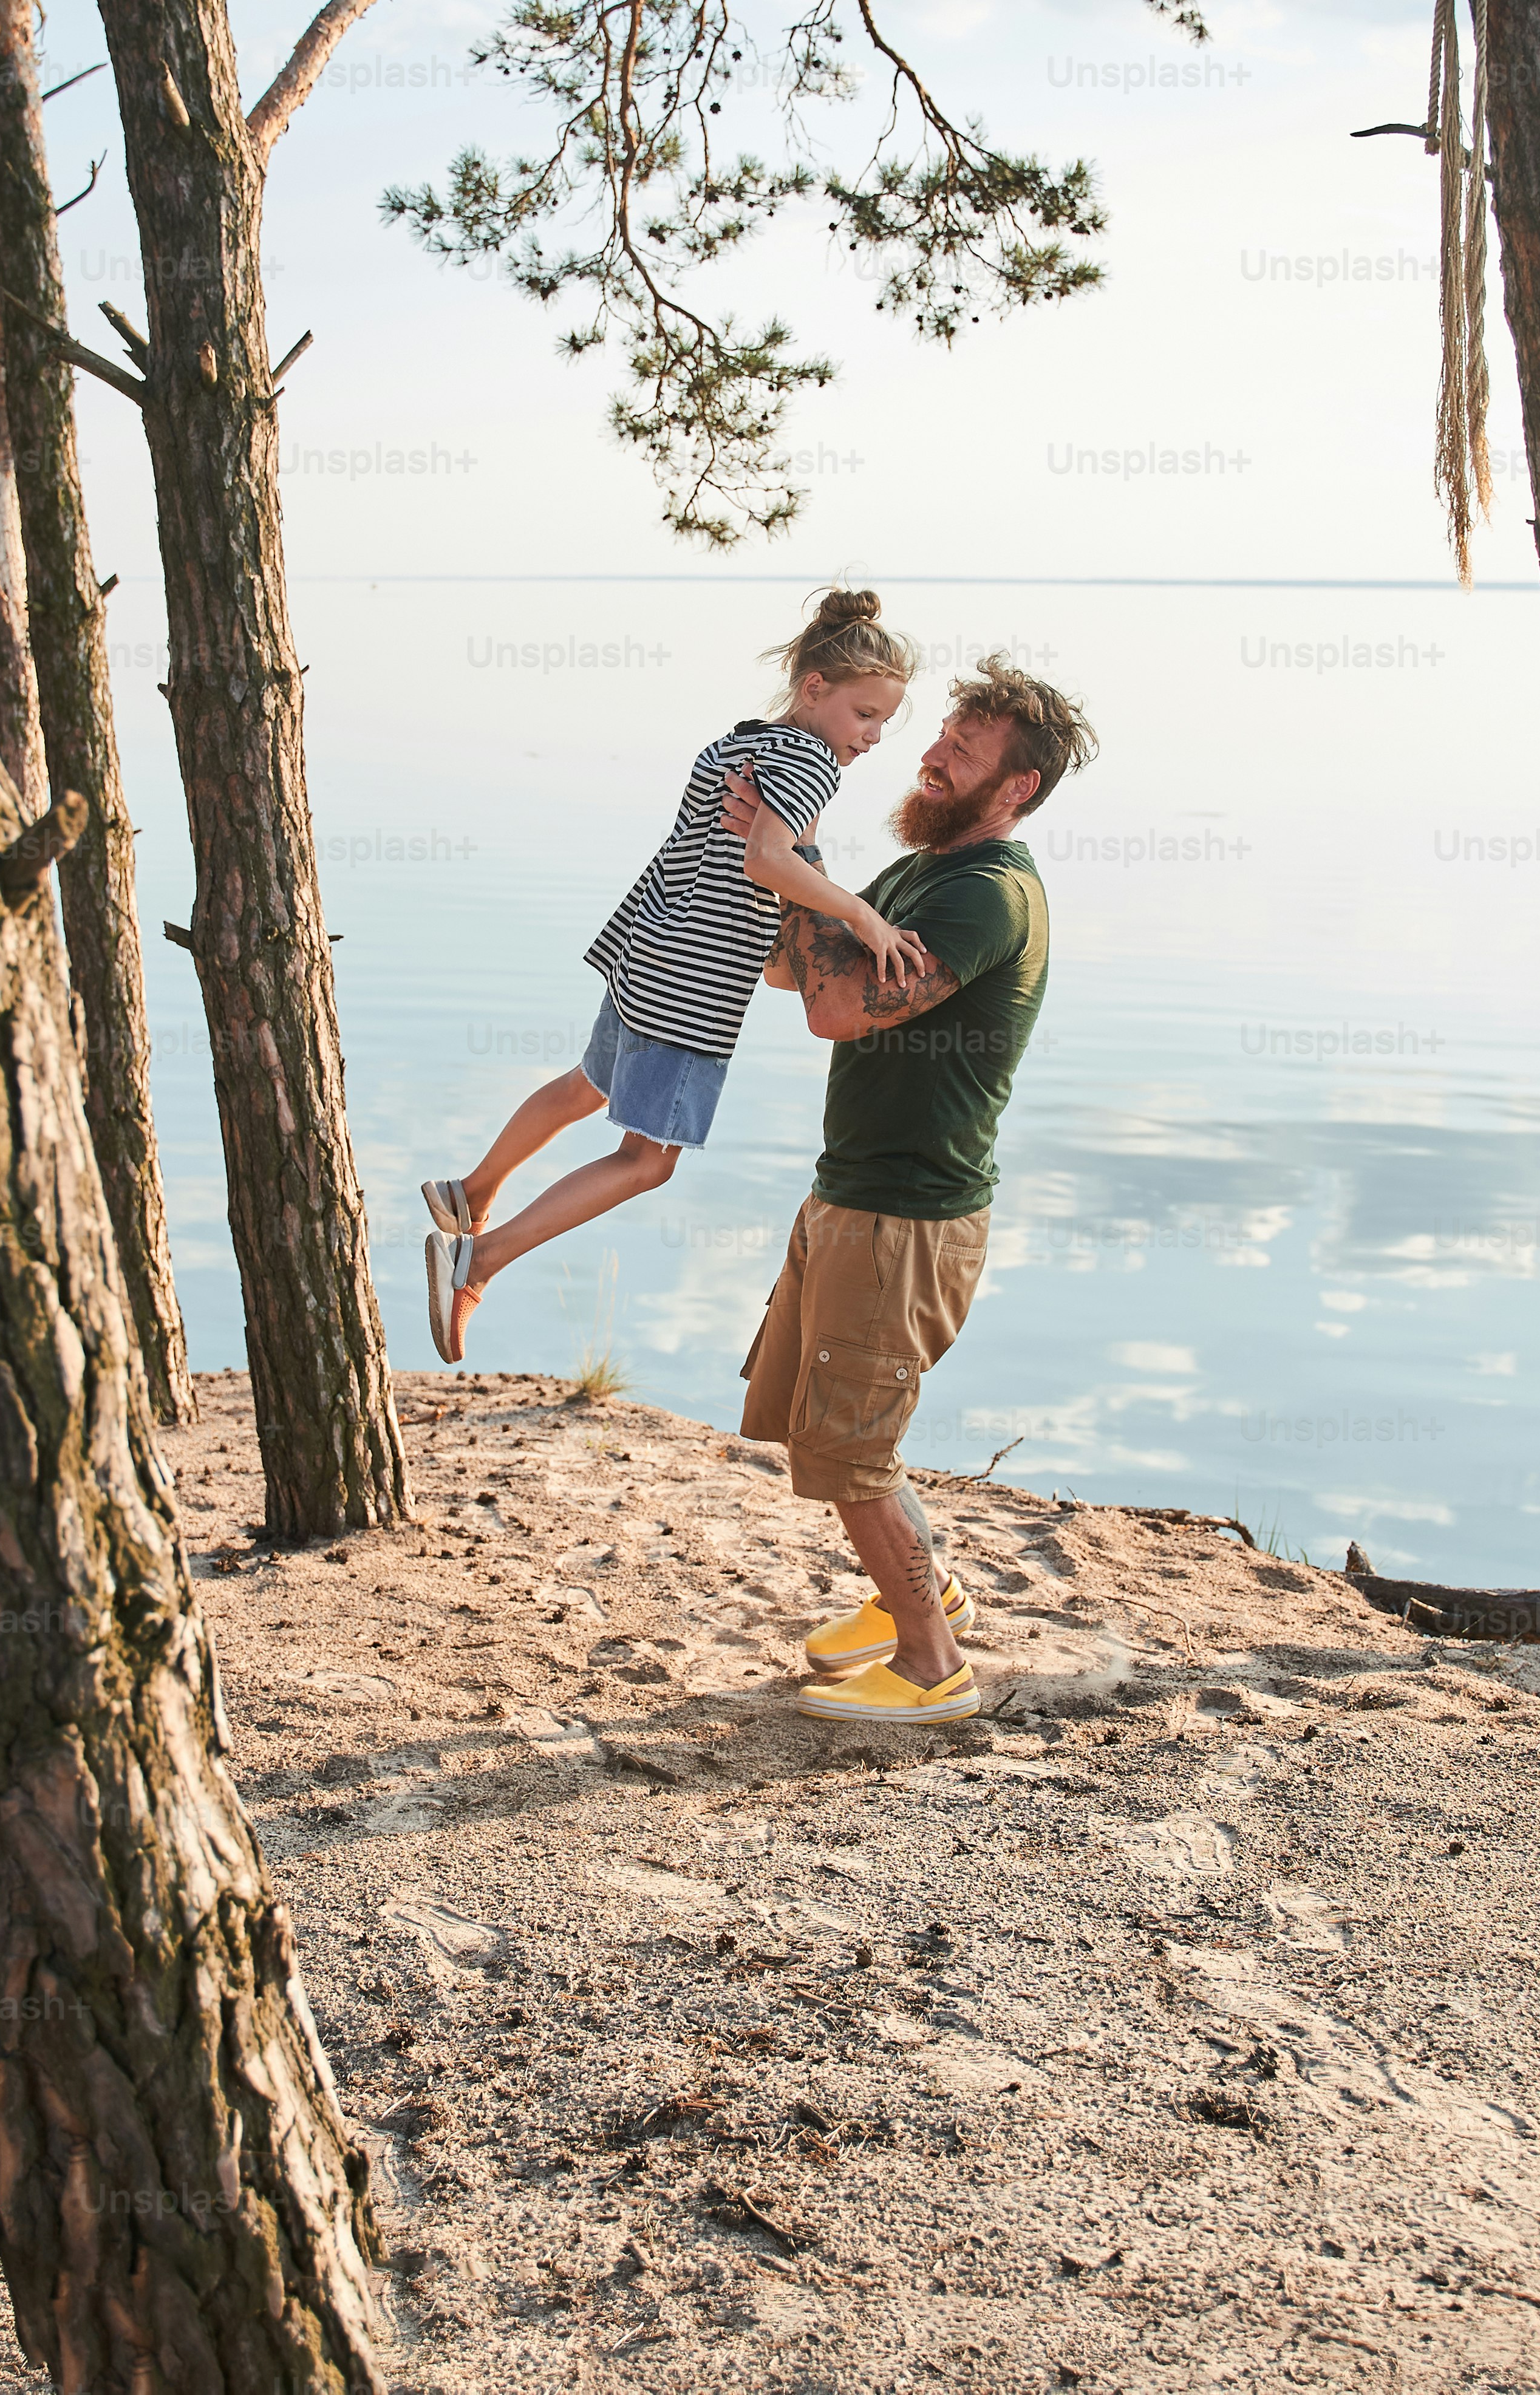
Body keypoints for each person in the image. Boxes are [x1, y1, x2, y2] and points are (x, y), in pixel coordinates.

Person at [420, 590, 930, 1364]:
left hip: (647, 950)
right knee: (648, 1161)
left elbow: (738, 854)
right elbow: (767, 860)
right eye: (865, 714)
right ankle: (476, 1261)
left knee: (586, 1086)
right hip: (693, 983)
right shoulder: (810, 761)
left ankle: (472, 1191)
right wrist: (865, 917)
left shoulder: (744, 740)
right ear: (814, 688)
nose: (873, 736)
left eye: (884, 721)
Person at [728, 656, 1095, 1725]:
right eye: (940, 736)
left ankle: (934, 1666)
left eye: (961, 752)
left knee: (850, 1448)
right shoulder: (920, 872)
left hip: (905, 1219)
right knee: (818, 1427)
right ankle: (924, 1593)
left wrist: (797, 861)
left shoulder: (986, 894)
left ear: (1016, 786)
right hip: (851, 1194)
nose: (930, 756)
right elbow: (793, 969)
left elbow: (837, 1008)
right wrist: (780, 864)